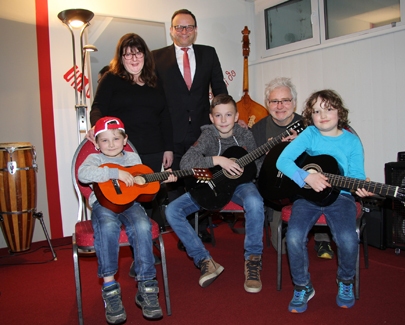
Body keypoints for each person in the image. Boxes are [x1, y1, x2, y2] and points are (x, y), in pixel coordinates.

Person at [276, 89, 373, 313]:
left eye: (328, 109)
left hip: (341, 197)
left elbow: (357, 175)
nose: (323, 115)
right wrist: (306, 176)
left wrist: (361, 187)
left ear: (340, 112)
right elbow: (283, 161)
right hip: (307, 197)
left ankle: (345, 281)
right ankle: (302, 286)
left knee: (348, 238)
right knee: (293, 237)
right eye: (317, 111)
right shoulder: (309, 134)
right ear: (311, 116)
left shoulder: (352, 142)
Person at [88, 33, 174, 276]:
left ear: (145, 56)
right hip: (124, 151)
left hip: (155, 147)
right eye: (128, 53)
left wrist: (168, 147)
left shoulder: (155, 80)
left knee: (150, 198)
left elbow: (165, 115)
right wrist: (98, 129)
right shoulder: (111, 79)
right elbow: (98, 108)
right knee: (127, 199)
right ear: (121, 57)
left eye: (138, 53)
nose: (133, 58)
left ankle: (142, 252)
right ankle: (138, 254)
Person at [78, 116, 177, 323]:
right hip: (104, 205)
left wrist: (162, 179)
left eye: (116, 139)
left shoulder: (132, 159)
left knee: (142, 225)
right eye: (104, 140)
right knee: (107, 227)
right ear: (96, 143)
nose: (111, 144)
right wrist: (114, 173)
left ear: (125, 140)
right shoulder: (95, 159)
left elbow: (144, 184)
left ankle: (146, 286)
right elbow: (83, 174)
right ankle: (110, 288)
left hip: (131, 205)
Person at [165, 94, 265, 293]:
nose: (224, 120)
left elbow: (258, 163)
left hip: (241, 185)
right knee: (172, 210)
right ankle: (204, 260)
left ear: (237, 117)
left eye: (228, 115)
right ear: (211, 118)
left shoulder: (245, 134)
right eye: (218, 116)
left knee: (255, 201)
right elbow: (186, 162)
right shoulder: (208, 135)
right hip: (212, 185)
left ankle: (253, 259)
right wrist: (217, 160)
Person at [151, 9, 229, 243]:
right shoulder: (156, 57)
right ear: (171, 30)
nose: (184, 31)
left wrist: (229, 116)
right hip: (170, 132)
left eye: (189, 27)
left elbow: (219, 90)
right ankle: (182, 231)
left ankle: (201, 226)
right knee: (174, 182)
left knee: (202, 179)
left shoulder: (209, 53)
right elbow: (152, 97)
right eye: (179, 27)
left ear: (195, 30)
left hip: (202, 132)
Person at [252, 77, 334, 259]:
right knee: (282, 249)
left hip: (305, 185)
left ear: (294, 103)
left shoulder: (309, 126)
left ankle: (322, 237)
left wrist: (302, 147)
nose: (280, 106)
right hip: (277, 191)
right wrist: (269, 159)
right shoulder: (258, 129)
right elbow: (254, 167)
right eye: (274, 101)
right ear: (267, 104)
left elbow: (325, 160)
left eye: (285, 100)